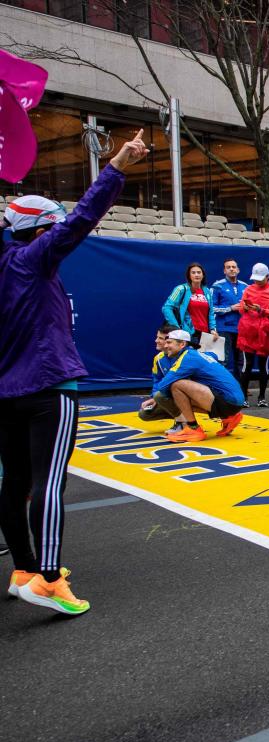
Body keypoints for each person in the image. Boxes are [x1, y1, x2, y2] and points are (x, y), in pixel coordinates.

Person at [2, 128, 147, 617]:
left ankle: (23, 569)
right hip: (49, 385)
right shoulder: (34, 259)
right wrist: (117, 167)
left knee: (15, 481)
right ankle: (46, 578)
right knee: (48, 481)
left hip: (8, 391)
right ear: (42, 232)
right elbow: (81, 220)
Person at [152, 329, 247, 443]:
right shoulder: (195, 354)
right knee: (180, 397)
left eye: (169, 342)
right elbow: (214, 355)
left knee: (175, 386)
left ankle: (193, 428)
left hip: (228, 401)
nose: (165, 346)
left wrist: (160, 401)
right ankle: (229, 417)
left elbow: (163, 385)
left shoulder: (187, 358)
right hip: (233, 400)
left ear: (182, 344)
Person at [237, 263, 269, 407]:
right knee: (247, 364)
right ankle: (243, 397)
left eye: (260, 278)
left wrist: (261, 310)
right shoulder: (248, 289)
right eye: (255, 278)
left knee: (263, 365)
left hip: (264, 331)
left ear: (268, 277)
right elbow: (241, 311)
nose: (256, 281)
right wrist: (244, 307)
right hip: (248, 330)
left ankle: (262, 397)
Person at [162, 262, 216, 347]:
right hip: (188, 333)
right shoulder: (181, 289)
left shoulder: (207, 291)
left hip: (205, 335)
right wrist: (176, 328)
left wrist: (213, 329)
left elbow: (211, 312)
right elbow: (167, 308)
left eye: (199, 272)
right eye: (193, 272)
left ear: (203, 275)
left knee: (203, 359)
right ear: (189, 275)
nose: (196, 275)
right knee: (187, 358)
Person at [209, 259, 246, 380]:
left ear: (238, 270)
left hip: (241, 328)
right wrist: (230, 308)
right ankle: (222, 387)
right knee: (222, 359)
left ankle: (240, 387)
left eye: (234, 267)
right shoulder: (217, 286)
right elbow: (211, 308)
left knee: (240, 361)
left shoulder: (246, 287)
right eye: (228, 267)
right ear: (224, 270)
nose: (231, 269)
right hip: (223, 328)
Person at [138, 324, 179, 423]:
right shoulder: (158, 358)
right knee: (145, 414)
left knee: (166, 393)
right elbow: (157, 380)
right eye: (157, 337)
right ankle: (180, 417)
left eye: (160, 338)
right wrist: (153, 398)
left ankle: (187, 423)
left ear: (170, 341)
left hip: (194, 395)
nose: (156, 341)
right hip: (173, 395)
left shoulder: (186, 356)